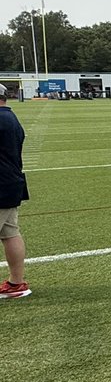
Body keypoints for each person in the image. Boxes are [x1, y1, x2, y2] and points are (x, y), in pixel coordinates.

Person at [0, 84, 31, 299]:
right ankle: (16, 284)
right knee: (10, 233)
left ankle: (16, 284)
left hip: (1, 183)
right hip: (11, 182)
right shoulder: (11, 118)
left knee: (10, 233)